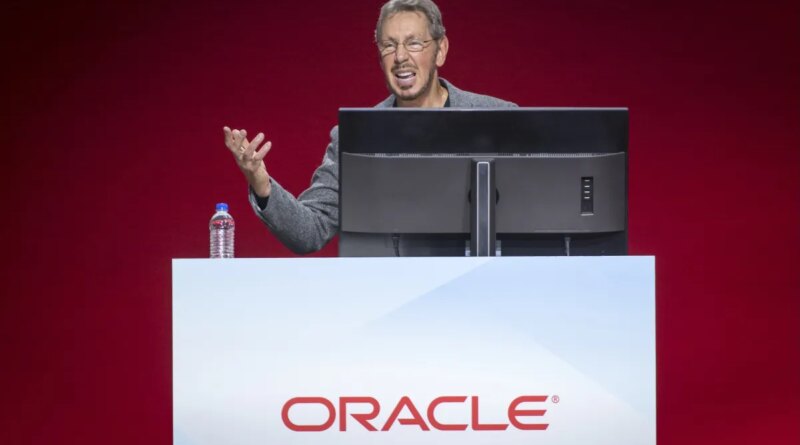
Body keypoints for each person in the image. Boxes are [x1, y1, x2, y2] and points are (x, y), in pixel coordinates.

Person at [223, 0, 515, 254]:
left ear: (440, 50)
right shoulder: (355, 136)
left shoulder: (500, 119)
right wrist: (261, 183)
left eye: (414, 43)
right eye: (389, 45)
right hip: (390, 300)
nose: (400, 56)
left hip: (483, 296)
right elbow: (310, 231)